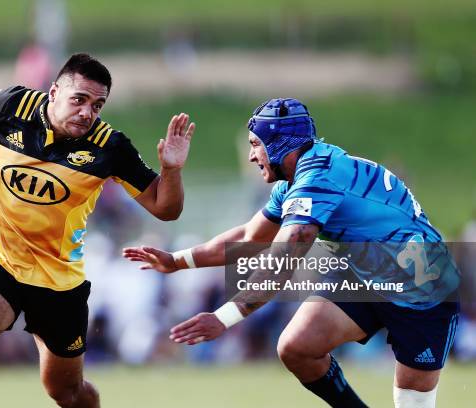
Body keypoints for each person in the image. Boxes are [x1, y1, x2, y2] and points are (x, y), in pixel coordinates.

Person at [123, 98, 459, 408]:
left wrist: (223, 317)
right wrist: (177, 260)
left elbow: (282, 260)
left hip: (421, 285)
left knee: (412, 403)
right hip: (365, 273)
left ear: (280, 143)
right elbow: (250, 236)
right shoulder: (296, 180)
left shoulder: (317, 179)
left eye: (256, 145)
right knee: (297, 347)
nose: (253, 156)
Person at [0, 53, 195, 408]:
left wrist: (172, 170)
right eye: (80, 99)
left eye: (98, 105)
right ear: (54, 91)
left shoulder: (110, 148)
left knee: (67, 393)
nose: (88, 112)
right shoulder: (12, 106)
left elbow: (166, 209)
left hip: (59, 282)